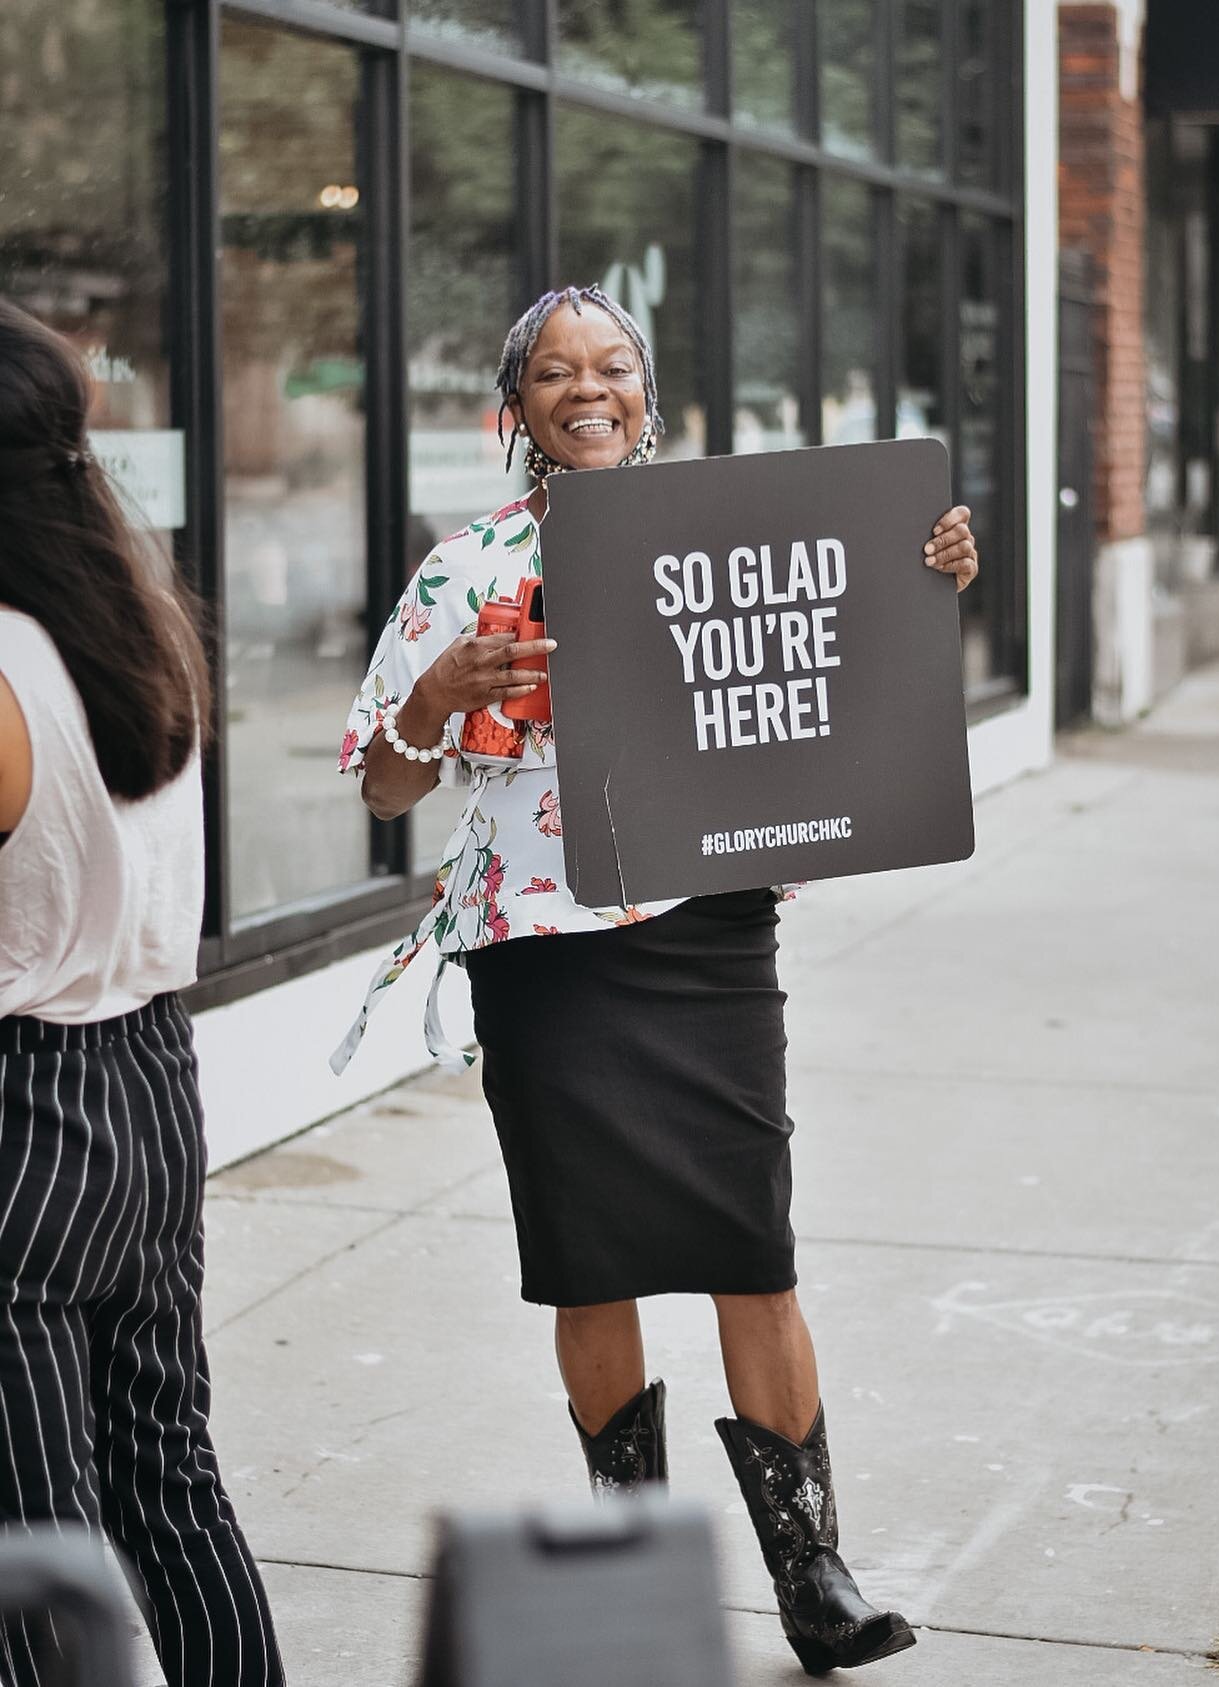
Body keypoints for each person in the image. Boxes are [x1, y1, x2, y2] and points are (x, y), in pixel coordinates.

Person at [336, 285, 978, 1675]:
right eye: (554, 372)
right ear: (515, 409)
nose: (587, 389)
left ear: (645, 392)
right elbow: (385, 786)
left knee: (751, 1253)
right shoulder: (465, 570)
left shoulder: (734, 536)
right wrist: (436, 697)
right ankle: (629, 1568)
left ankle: (814, 1579)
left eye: (611, 366)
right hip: (543, 955)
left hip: (705, 934)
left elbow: (846, 653)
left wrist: (920, 567)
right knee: (592, 1268)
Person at [0, 300, 285, 1686]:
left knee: (36, 1532)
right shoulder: (133, 622)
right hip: (151, 1089)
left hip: (23, 1107)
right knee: (169, 1478)